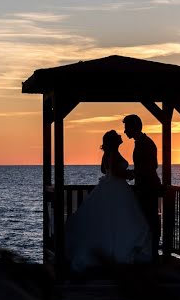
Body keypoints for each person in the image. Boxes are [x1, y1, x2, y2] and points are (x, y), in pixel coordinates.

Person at [65, 130, 152, 273]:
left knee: (111, 220)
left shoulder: (108, 154)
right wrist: (130, 174)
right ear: (114, 141)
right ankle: (119, 252)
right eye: (117, 136)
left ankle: (110, 251)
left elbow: (103, 170)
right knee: (122, 220)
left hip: (109, 186)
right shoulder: (114, 154)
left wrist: (117, 173)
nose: (120, 136)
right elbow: (117, 173)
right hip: (117, 189)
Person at [122, 114, 162, 261]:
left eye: (127, 128)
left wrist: (134, 173)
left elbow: (152, 166)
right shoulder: (141, 142)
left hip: (149, 188)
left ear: (134, 127)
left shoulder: (146, 143)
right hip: (143, 187)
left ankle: (153, 252)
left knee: (151, 220)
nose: (125, 131)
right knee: (145, 219)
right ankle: (148, 251)